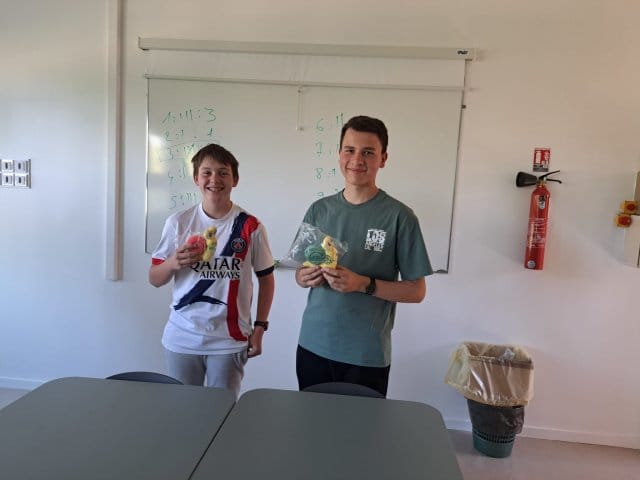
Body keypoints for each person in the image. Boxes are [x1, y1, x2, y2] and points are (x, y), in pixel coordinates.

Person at [294, 115, 433, 397]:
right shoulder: (319, 210)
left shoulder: (400, 217)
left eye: (368, 152)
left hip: (365, 354)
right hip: (312, 345)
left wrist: (363, 284)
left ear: (383, 159)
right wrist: (304, 277)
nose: (357, 160)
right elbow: (299, 272)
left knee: (362, 425)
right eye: (350, 150)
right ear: (339, 154)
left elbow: (417, 291)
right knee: (311, 421)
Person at [149, 143, 275, 398]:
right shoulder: (178, 223)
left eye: (223, 173)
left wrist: (260, 327)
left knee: (222, 412)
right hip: (182, 337)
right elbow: (154, 278)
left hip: (229, 341)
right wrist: (173, 262)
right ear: (196, 179)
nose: (214, 180)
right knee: (184, 412)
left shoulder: (251, 226)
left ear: (235, 180)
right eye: (206, 172)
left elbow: (267, 279)